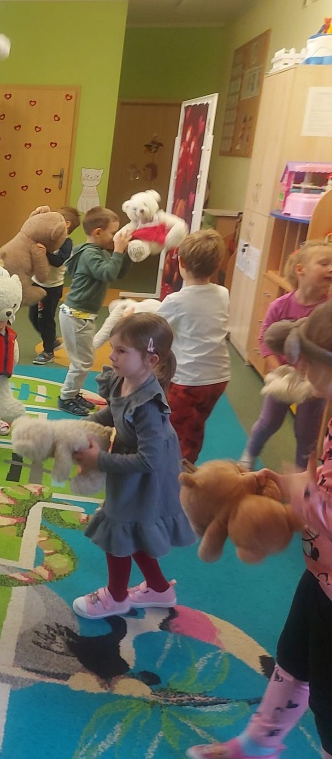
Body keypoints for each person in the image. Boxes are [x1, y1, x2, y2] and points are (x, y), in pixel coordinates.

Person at [187, 299, 332, 759]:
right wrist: (291, 483)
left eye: (309, 362)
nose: (299, 369)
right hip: (321, 574)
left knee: (329, 701)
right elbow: (322, 478)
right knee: (292, 660)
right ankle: (259, 742)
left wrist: (304, 502)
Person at [71, 312, 196, 619]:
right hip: (132, 464)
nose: (112, 356)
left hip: (148, 474)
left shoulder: (148, 405)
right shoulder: (122, 379)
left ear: (151, 360)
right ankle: (159, 588)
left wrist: (99, 460)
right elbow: (112, 413)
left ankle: (116, 598)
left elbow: (149, 460)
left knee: (119, 531)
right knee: (132, 531)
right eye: (112, 348)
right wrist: (83, 428)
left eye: (121, 351)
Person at [239, 239, 332, 470]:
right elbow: (266, 339)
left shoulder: (327, 311)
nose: (331, 268)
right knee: (268, 422)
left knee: (306, 433)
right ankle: (249, 455)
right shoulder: (280, 306)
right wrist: (277, 371)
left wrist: (315, 379)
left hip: (314, 382)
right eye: (324, 263)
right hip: (284, 378)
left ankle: (302, 474)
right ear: (301, 270)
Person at [158, 229, 230, 463]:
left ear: (181, 262)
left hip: (190, 379)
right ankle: (185, 465)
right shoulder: (223, 293)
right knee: (194, 425)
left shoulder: (176, 301)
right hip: (218, 377)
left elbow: (154, 328)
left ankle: (177, 474)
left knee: (176, 431)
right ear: (217, 264)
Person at [57, 206, 132, 415]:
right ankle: (66, 397)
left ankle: (72, 393)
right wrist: (118, 251)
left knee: (83, 359)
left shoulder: (96, 252)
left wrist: (125, 253)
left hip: (80, 315)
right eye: (112, 233)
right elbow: (107, 273)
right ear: (98, 232)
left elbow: (117, 272)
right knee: (82, 362)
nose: (115, 237)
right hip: (77, 316)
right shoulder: (90, 254)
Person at [29, 205, 80, 365]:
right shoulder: (47, 238)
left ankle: (48, 351)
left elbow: (58, 261)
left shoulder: (66, 243)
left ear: (66, 224)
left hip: (51, 288)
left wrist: (46, 252)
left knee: (45, 319)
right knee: (33, 316)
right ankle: (51, 341)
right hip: (37, 283)